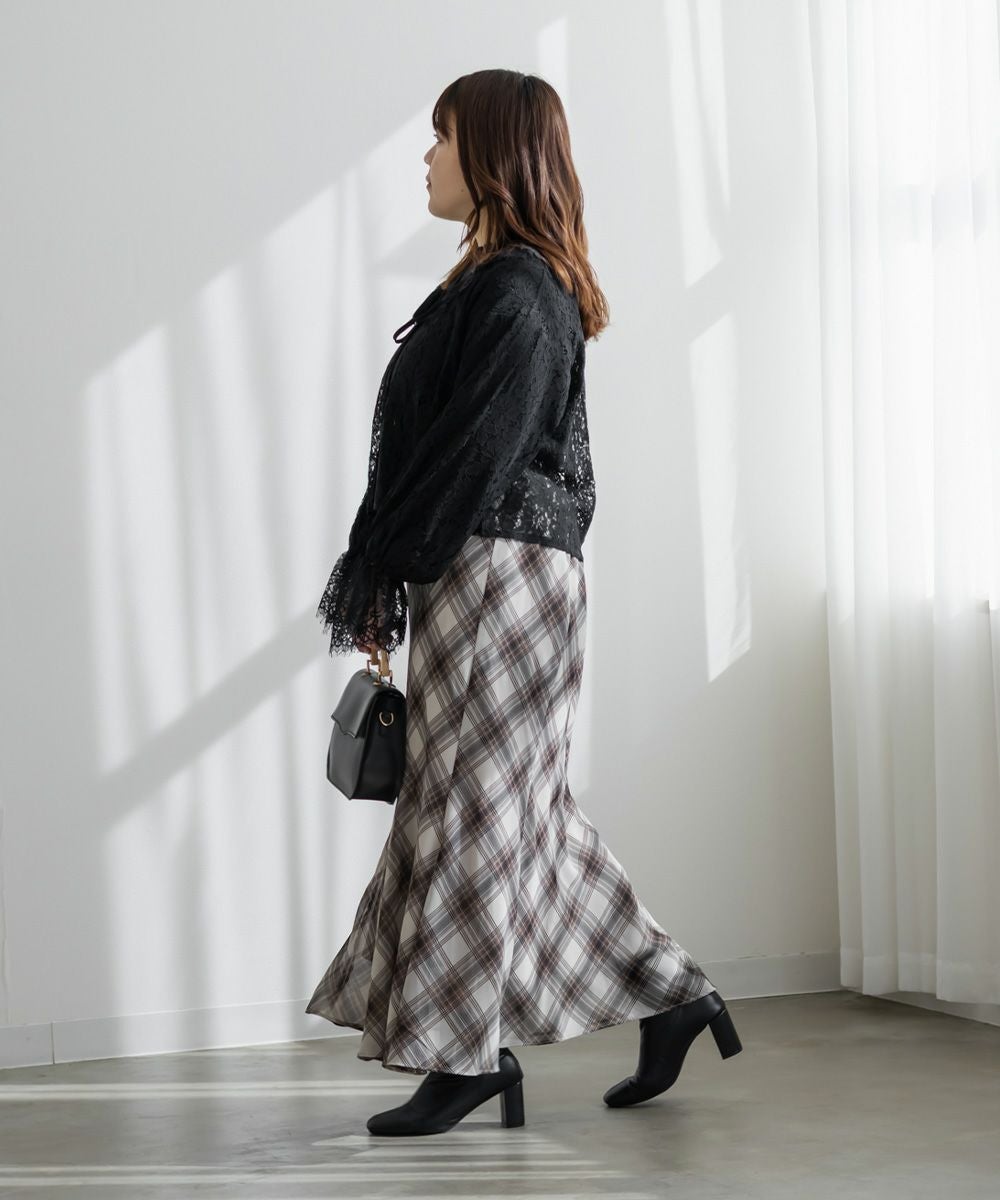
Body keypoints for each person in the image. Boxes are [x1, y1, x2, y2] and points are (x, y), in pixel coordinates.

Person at [305, 69, 742, 1138]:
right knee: (516, 812)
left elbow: (473, 451)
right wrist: (396, 569)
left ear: (493, 154)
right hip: (490, 572)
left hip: (501, 575)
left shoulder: (517, 291)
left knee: (473, 812)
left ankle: (465, 1056)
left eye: (442, 137)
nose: (426, 157)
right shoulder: (497, 283)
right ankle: (673, 996)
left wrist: (386, 564)